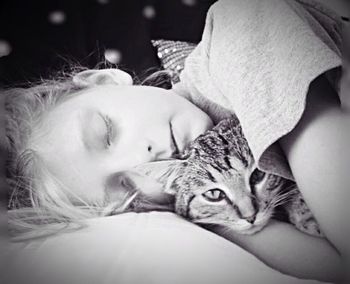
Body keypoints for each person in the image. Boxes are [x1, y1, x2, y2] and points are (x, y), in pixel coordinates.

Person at [5, 0, 349, 282]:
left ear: (105, 79)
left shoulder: (240, 37)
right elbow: (333, 268)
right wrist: (204, 213)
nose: (143, 160)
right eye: (126, 188)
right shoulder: (212, 202)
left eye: (106, 132)